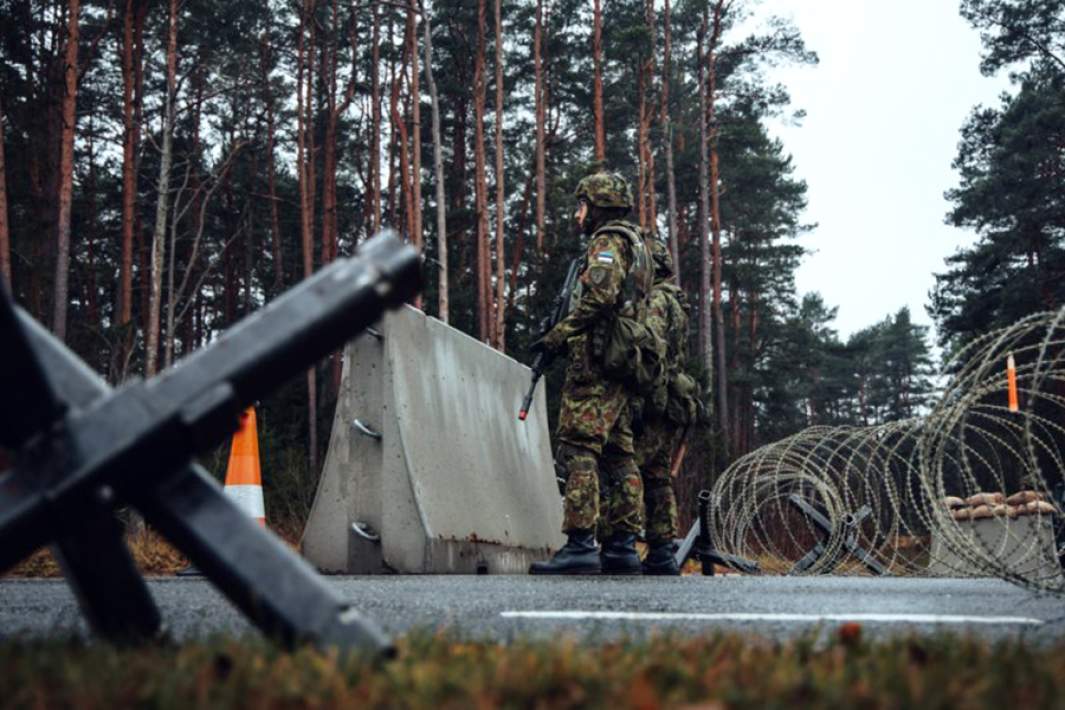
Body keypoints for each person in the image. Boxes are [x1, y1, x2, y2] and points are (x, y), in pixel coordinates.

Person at [528, 171, 653, 575]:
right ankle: (621, 547)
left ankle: (581, 544)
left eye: (582, 205)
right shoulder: (635, 244)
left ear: (597, 206)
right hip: (619, 364)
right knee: (619, 455)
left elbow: (599, 296)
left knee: (579, 448)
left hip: (597, 365)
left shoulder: (607, 242)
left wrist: (557, 335)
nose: (577, 214)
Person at [634, 237, 693, 575]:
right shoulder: (677, 302)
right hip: (669, 399)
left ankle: (622, 544)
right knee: (657, 476)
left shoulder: (657, 300)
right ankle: (661, 550)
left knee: (629, 468)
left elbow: (650, 345)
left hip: (654, 398)